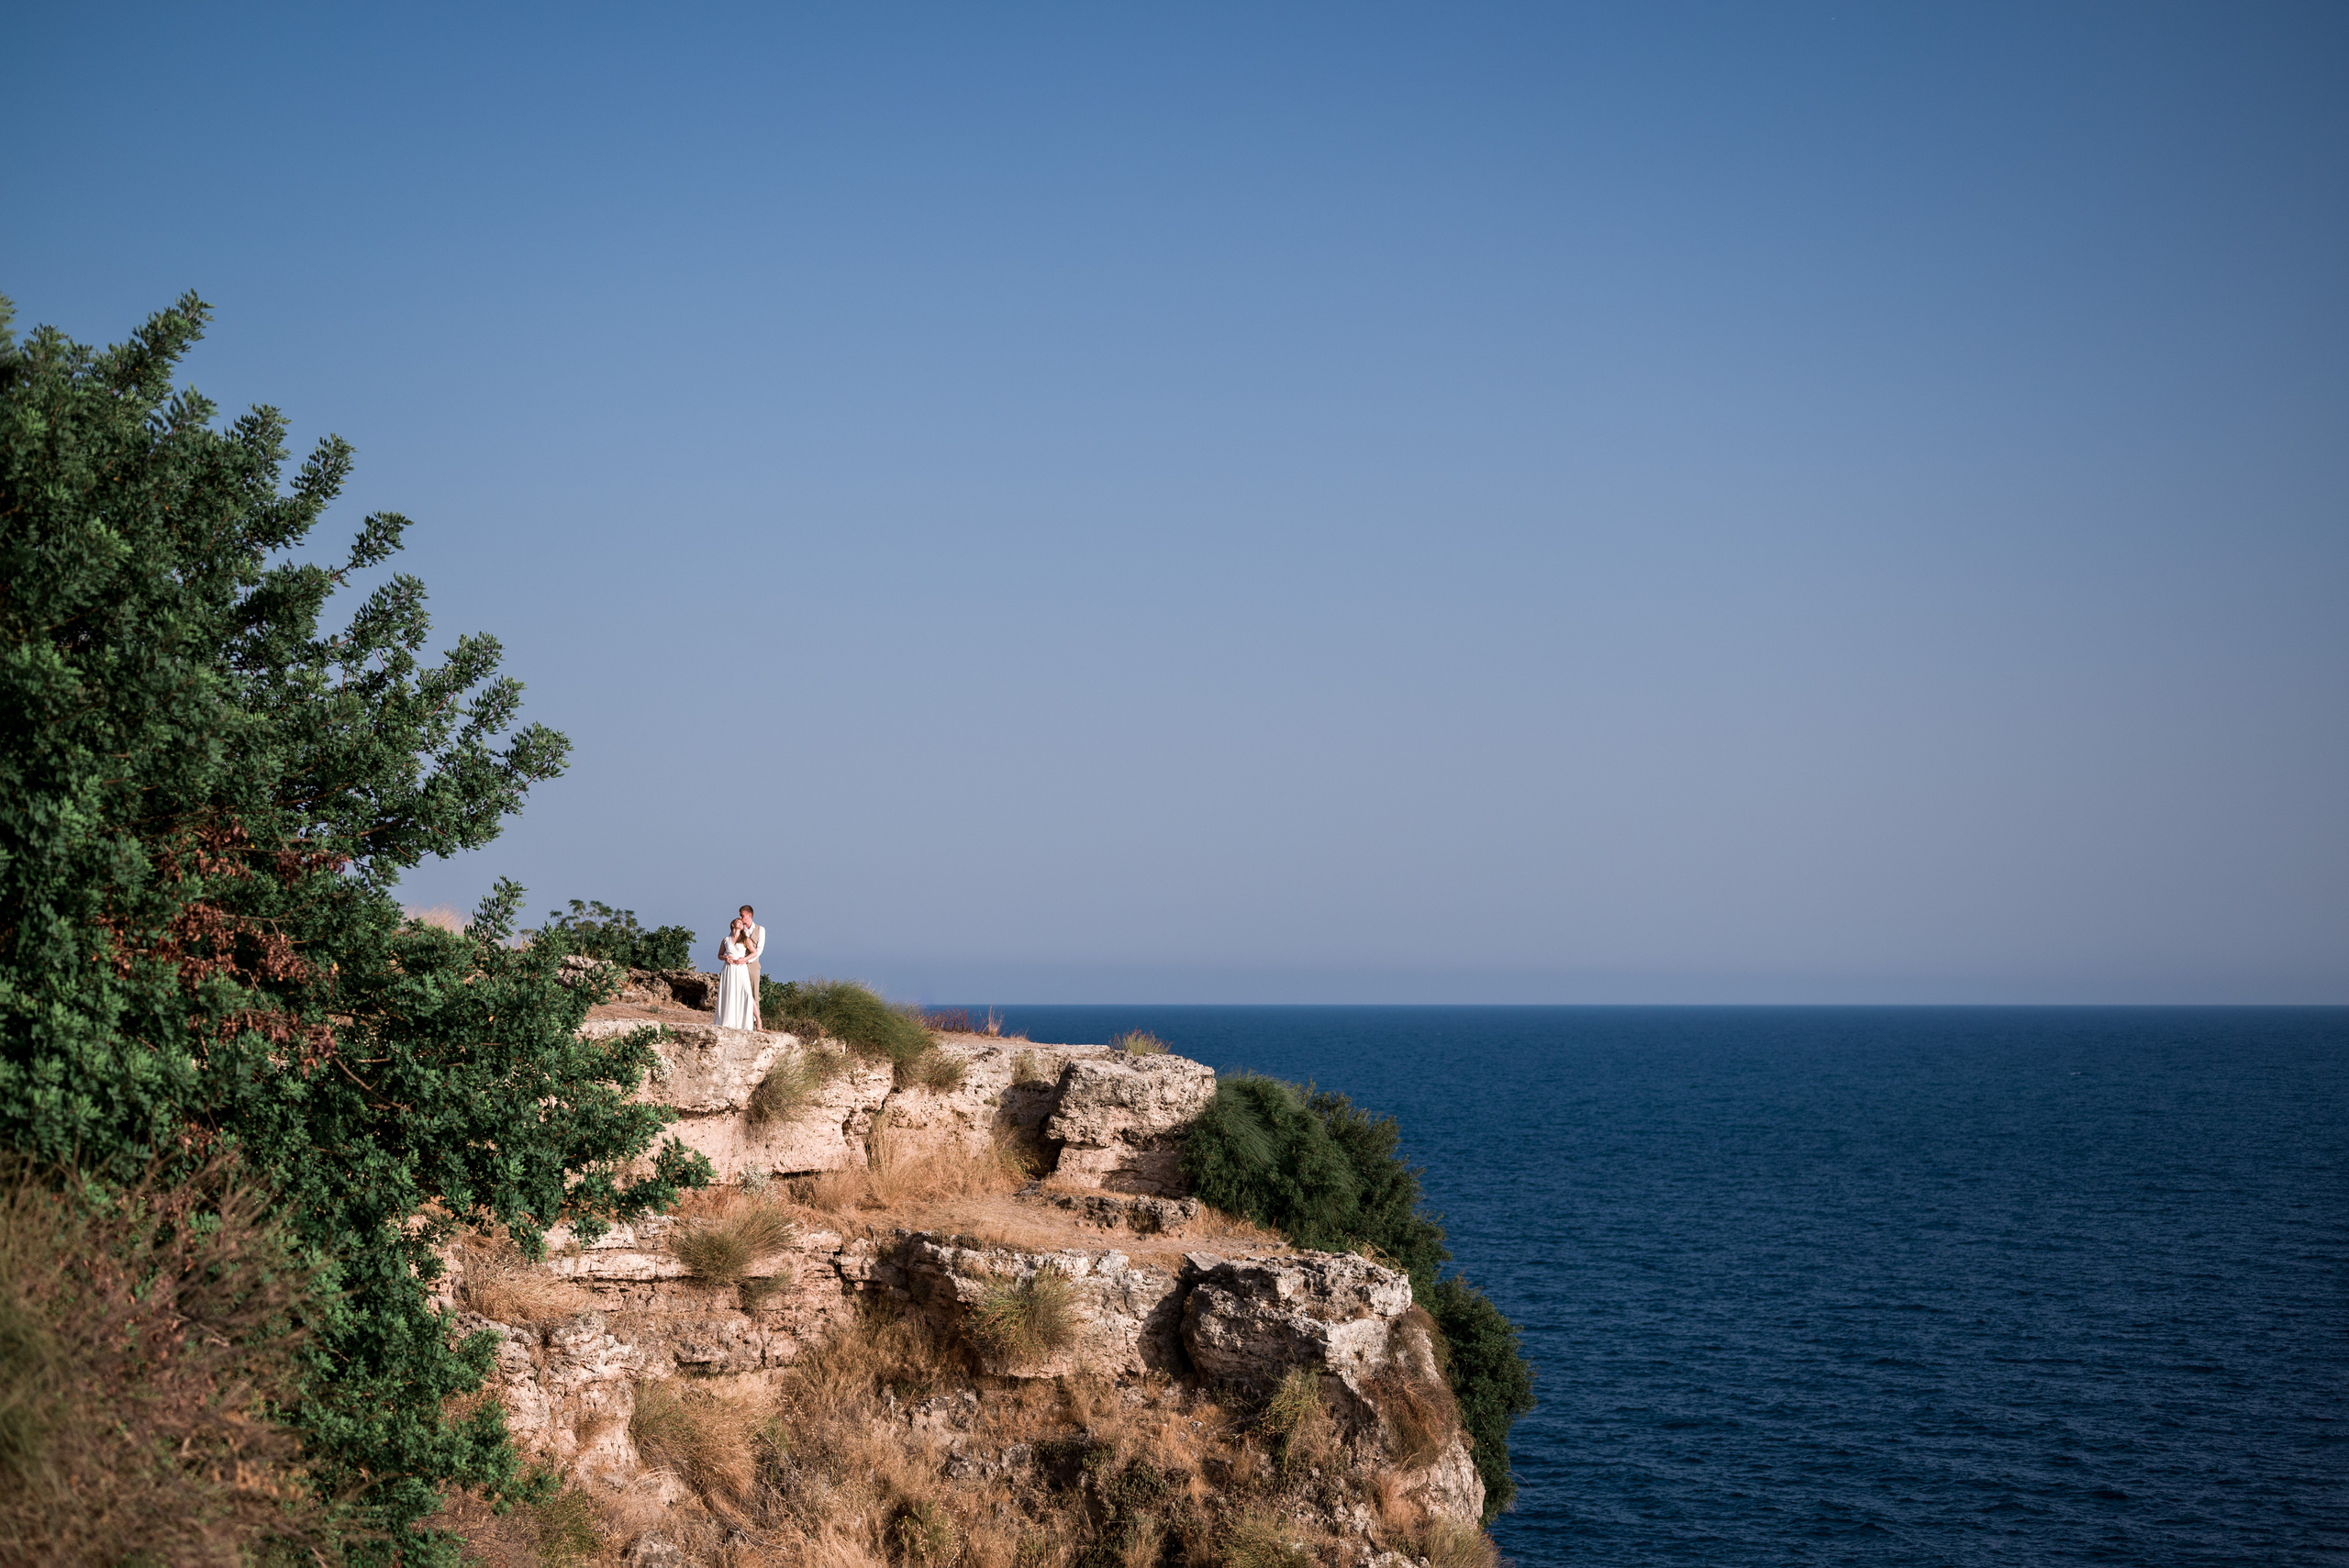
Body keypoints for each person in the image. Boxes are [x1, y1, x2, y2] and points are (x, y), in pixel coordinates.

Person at [713, 917, 757, 1029]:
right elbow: (719, 955)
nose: (741, 923)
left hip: (741, 968)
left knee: (746, 992)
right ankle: (728, 1021)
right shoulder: (725, 940)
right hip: (729, 969)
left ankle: (746, 1023)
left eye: (742, 923)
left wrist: (745, 959)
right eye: (738, 922)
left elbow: (754, 952)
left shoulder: (746, 939)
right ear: (732, 925)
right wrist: (725, 958)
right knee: (729, 992)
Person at [736, 905, 766, 1028]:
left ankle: (756, 1022)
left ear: (749, 915)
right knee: (741, 992)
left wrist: (746, 960)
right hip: (740, 965)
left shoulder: (761, 929)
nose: (740, 917)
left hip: (753, 965)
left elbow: (759, 950)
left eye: (742, 915)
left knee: (754, 993)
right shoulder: (739, 928)